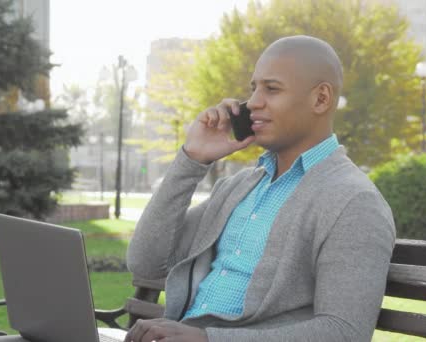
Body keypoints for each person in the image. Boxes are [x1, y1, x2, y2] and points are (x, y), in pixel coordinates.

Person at [124, 35, 396, 342]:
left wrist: (207, 340)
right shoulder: (239, 187)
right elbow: (145, 261)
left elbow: (344, 332)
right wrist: (192, 159)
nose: (252, 102)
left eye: (272, 88)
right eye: (254, 88)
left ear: (321, 99)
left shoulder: (353, 202)